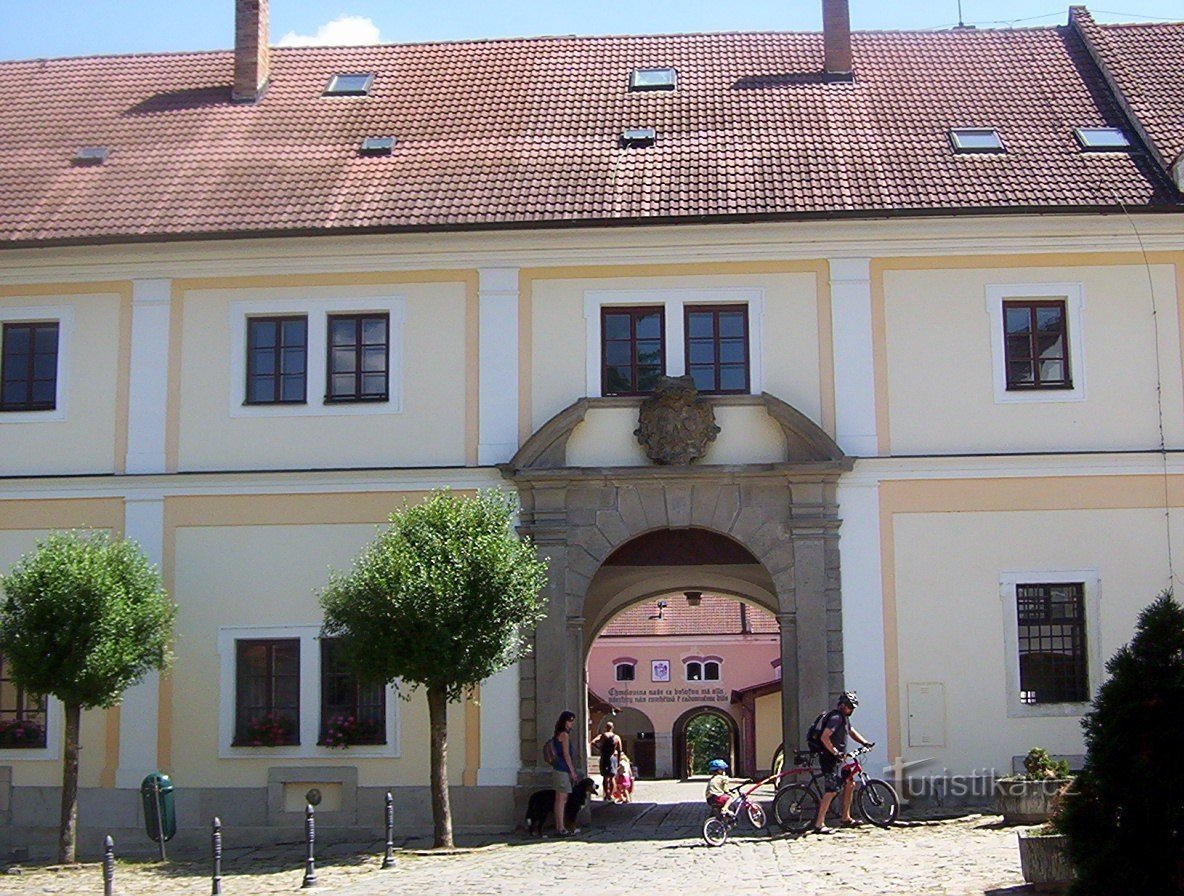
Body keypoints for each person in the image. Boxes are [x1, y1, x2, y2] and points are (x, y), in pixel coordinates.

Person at [812, 691, 875, 834]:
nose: (851, 709)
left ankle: (845, 818)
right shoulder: (835, 718)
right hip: (828, 758)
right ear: (842, 705)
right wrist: (835, 752)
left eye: (853, 707)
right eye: (850, 707)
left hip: (838, 757)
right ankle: (819, 824)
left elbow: (851, 731)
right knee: (831, 790)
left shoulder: (844, 718)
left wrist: (865, 743)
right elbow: (824, 737)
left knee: (850, 783)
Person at [549, 710, 580, 835]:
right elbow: (566, 754)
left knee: (559, 798)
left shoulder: (557, 734)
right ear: (564, 721)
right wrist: (572, 771)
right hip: (562, 769)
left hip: (558, 768)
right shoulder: (564, 735)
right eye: (569, 721)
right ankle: (561, 827)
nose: (571, 724)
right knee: (562, 798)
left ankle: (559, 826)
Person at [594, 721, 623, 801]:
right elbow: (620, 750)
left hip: (604, 757)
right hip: (612, 757)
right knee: (612, 777)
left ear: (606, 727)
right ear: (613, 728)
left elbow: (593, 742)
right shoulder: (617, 737)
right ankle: (610, 795)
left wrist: (599, 748)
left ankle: (606, 794)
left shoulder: (603, 736)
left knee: (605, 777)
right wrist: (618, 760)